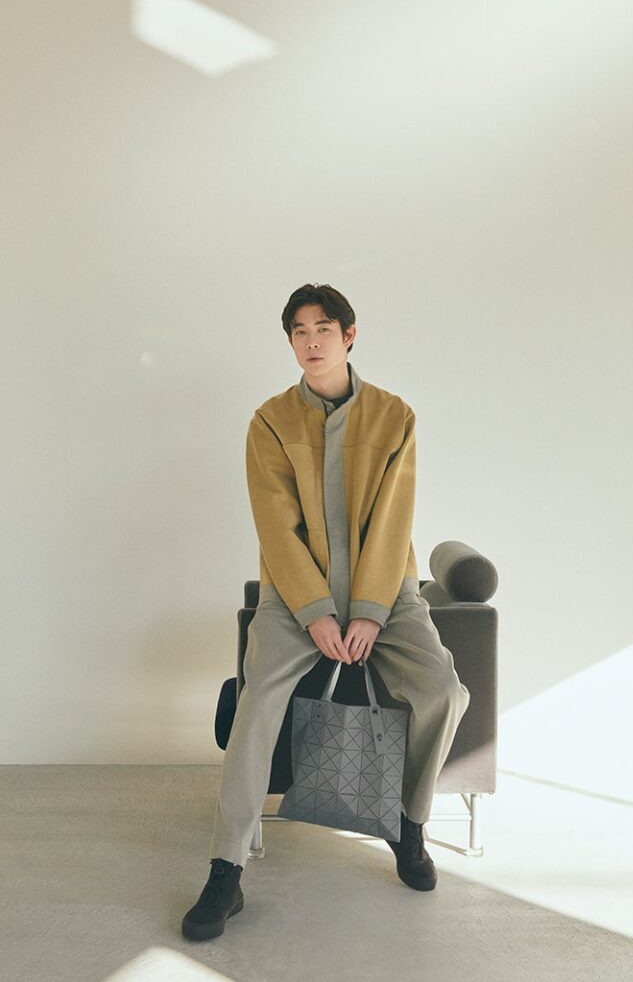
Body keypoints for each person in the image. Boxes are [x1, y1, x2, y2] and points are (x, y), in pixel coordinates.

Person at [182, 284, 470, 941]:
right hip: (293, 597)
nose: (311, 341)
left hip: (388, 593)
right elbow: (276, 529)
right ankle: (226, 871)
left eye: (324, 328)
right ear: (290, 341)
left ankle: (408, 822)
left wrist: (368, 610)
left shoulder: (395, 416)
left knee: (444, 692)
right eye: (299, 331)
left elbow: (394, 518)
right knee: (256, 706)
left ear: (350, 334)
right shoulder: (270, 422)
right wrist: (314, 610)